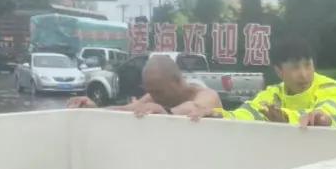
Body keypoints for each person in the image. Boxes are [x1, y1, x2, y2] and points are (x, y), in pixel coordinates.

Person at [212, 38, 336, 127]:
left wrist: (287, 118)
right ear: (279, 71)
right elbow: (248, 112)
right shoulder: (274, 93)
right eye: (295, 67)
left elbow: (323, 113)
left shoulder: (331, 87)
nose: (304, 74)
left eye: (308, 65)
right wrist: (218, 115)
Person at [67, 54, 222, 117]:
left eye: (159, 91)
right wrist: (94, 109)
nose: (155, 97)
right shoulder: (156, 96)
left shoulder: (207, 95)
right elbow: (128, 109)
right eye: (151, 92)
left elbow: (193, 108)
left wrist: (166, 112)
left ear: (177, 81)